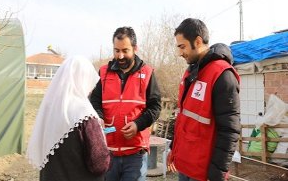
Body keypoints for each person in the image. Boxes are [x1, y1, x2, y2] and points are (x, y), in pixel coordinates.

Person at [167, 18, 240, 181]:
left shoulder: (222, 75)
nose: (180, 53)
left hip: (204, 173)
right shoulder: (190, 73)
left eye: (182, 46)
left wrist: (217, 173)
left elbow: (229, 131)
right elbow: (183, 118)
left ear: (198, 41)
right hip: (185, 167)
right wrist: (174, 149)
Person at [90, 26, 161, 181]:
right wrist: (99, 117)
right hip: (108, 152)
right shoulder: (103, 73)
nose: (120, 55)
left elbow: (155, 107)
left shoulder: (147, 73)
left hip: (135, 155)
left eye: (125, 50)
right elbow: (94, 100)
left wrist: (138, 125)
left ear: (135, 48)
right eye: (116, 50)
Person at [27, 55, 111, 181]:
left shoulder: (50, 110)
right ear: (83, 80)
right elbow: (99, 164)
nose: (91, 88)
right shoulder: (84, 114)